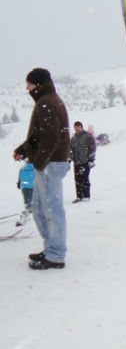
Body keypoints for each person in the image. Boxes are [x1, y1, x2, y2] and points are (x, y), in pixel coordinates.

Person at [13, 68, 70, 269]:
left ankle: (55, 255)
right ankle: (50, 248)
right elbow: (39, 134)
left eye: (29, 84)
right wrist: (23, 149)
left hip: (50, 164)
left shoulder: (47, 103)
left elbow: (50, 138)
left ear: (38, 84)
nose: (27, 88)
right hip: (48, 162)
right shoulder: (46, 101)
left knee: (51, 209)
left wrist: (39, 162)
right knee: (39, 208)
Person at [69, 120, 97, 202]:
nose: (77, 128)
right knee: (77, 179)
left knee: (84, 178)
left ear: (81, 127)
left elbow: (92, 148)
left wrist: (91, 159)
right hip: (77, 162)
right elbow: (70, 150)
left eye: (78, 126)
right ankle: (79, 196)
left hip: (85, 161)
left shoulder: (87, 136)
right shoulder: (73, 139)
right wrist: (70, 159)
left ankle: (86, 196)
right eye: (75, 127)